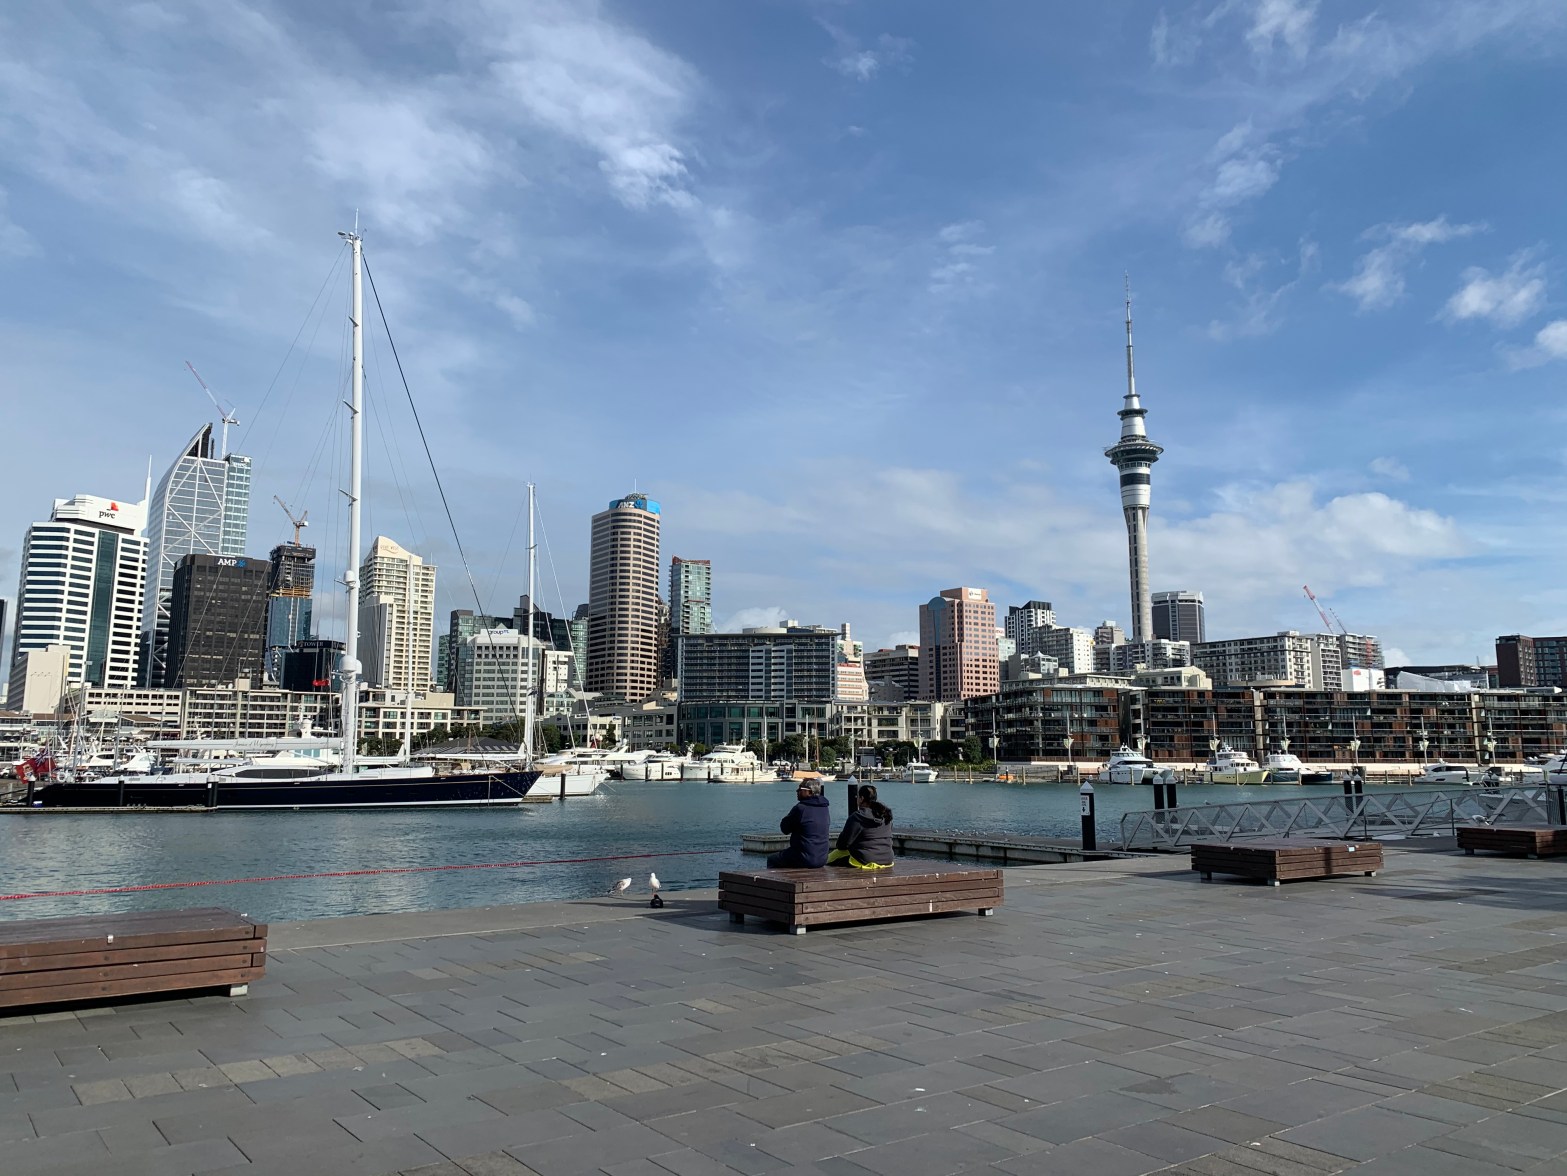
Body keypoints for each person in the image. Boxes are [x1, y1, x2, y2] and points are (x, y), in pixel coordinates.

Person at [766, 780, 831, 869]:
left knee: (772, 859)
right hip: (822, 858)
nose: (797, 791)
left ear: (809, 792)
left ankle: (777, 882)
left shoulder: (800, 808)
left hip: (803, 857)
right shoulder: (824, 808)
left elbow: (784, 829)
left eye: (800, 789)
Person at [828, 784, 894, 869]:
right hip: (887, 859)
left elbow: (842, 844)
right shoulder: (885, 815)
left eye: (857, 797)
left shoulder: (858, 816)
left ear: (861, 799)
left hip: (866, 859)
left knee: (831, 858)